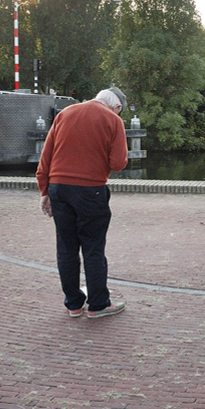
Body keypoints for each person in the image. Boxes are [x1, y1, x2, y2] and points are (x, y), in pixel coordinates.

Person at [37, 87, 130, 319]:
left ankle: (74, 304)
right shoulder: (113, 120)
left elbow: (45, 157)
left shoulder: (65, 113)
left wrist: (44, 192)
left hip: (59, 189)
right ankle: (98, 304)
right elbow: (118, 163)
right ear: (116, 107)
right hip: (91, 191)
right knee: (93, 247)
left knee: (66, 247)